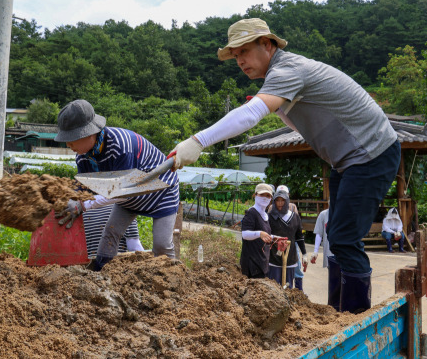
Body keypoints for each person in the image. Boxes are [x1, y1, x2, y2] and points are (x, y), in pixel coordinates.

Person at [170, 18, 400, 313]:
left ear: (267, 44)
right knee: (337, 237)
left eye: (244, 51)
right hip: (347, 162)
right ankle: (338, 314)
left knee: (344, 237)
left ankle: (354, 317)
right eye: (235, 56)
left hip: (372, 154)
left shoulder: (287, 69)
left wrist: (198, 141)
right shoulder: (281, 77)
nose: (240, 61)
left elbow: (251, 114)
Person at [54, 99, 179, 271]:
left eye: (72, 139)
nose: (68, 145)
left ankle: (174, 278)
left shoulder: (120, 147)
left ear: (89, 133)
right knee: (110, 233)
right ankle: (99, 272)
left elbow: (121, 192)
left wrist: (82, 205)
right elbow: (85, 188)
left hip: (160, 190)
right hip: (130, 195)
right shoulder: (83, 156)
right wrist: (68, 199)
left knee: (161, 244)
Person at [267, 187, 307, 290]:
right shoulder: (269, 217)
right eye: (277, 200)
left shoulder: (294, 217)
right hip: (274, 258)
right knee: (273, 288)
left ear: (287, 201)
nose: (280, 203)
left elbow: (299, 237)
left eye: (282, 200)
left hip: (290, 257)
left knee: (288, 288)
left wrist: (305, 254)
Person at [240, 184, 273, 279]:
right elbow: (245, 234)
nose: (265, 198)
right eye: (262, 195)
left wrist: (275, 238)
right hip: (252, 265)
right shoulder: (251, 213)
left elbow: (266, 235)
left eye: (268, 196)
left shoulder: (265, 215)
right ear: (255, 195)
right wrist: (260, 233)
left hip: (262, 263)